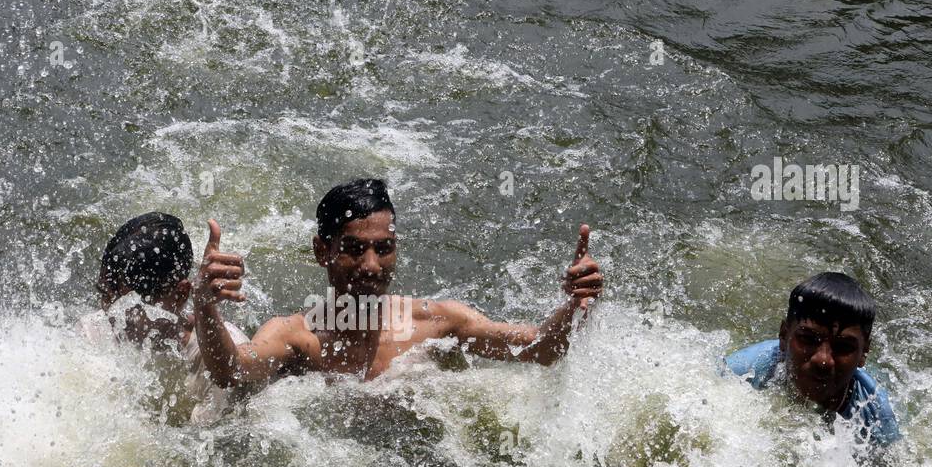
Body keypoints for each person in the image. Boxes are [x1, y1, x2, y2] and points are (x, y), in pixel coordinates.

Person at [192, 178, 603, 391]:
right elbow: (231, 372)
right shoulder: (298, 337)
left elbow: (542, 350)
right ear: (322, 251)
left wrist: (574, 303)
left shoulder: (439, 323)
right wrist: (205, 305)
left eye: (383, 248)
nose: (371, 266)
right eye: (353, 249)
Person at [81, 211, 248, 424]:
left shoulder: (214, 358)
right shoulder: (93, 332)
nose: (109, 315)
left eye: (127, 307)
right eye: (105, 295)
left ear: (179, 295)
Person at [725, 271, 900, 448]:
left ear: (864, 354)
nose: (823, 360)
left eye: (843, 347)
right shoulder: (743, 370)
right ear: (784, 336)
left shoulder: (877, 414)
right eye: (808, 339)